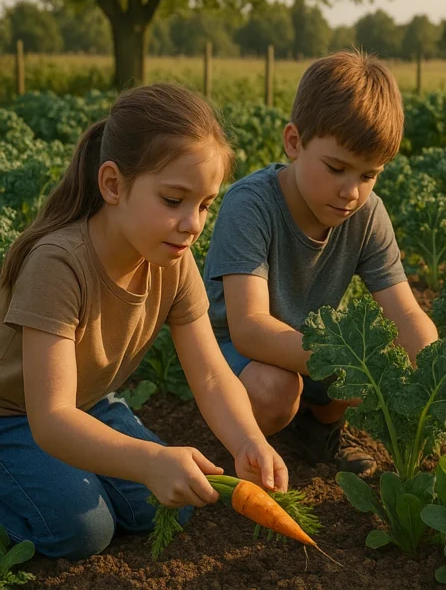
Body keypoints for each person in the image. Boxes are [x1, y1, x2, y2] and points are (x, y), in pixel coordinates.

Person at [0, 84, 287, 560]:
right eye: (174, 200)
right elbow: (50, 420)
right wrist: (150, 460)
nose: (192, 223)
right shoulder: (59, 263)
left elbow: (213, 375)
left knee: (168, 506)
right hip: (14, 415)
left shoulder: (172, 260)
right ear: (112, 185)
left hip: (89, 403)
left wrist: (248, 440)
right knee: (83, 531)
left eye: (204, 204)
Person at [204, 50, 446, 477]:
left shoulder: (368, 215)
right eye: (337, 168)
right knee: (274, 390)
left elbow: (406, 312)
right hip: (233, 353)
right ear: (294, 142)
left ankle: (317, 430)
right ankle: (237, 436)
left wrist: (432, 369)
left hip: (308, 348)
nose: (351, 192)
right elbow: (249, 329)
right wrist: (354, 363)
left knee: (381, 358)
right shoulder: (252, 205)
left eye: (368, 175)